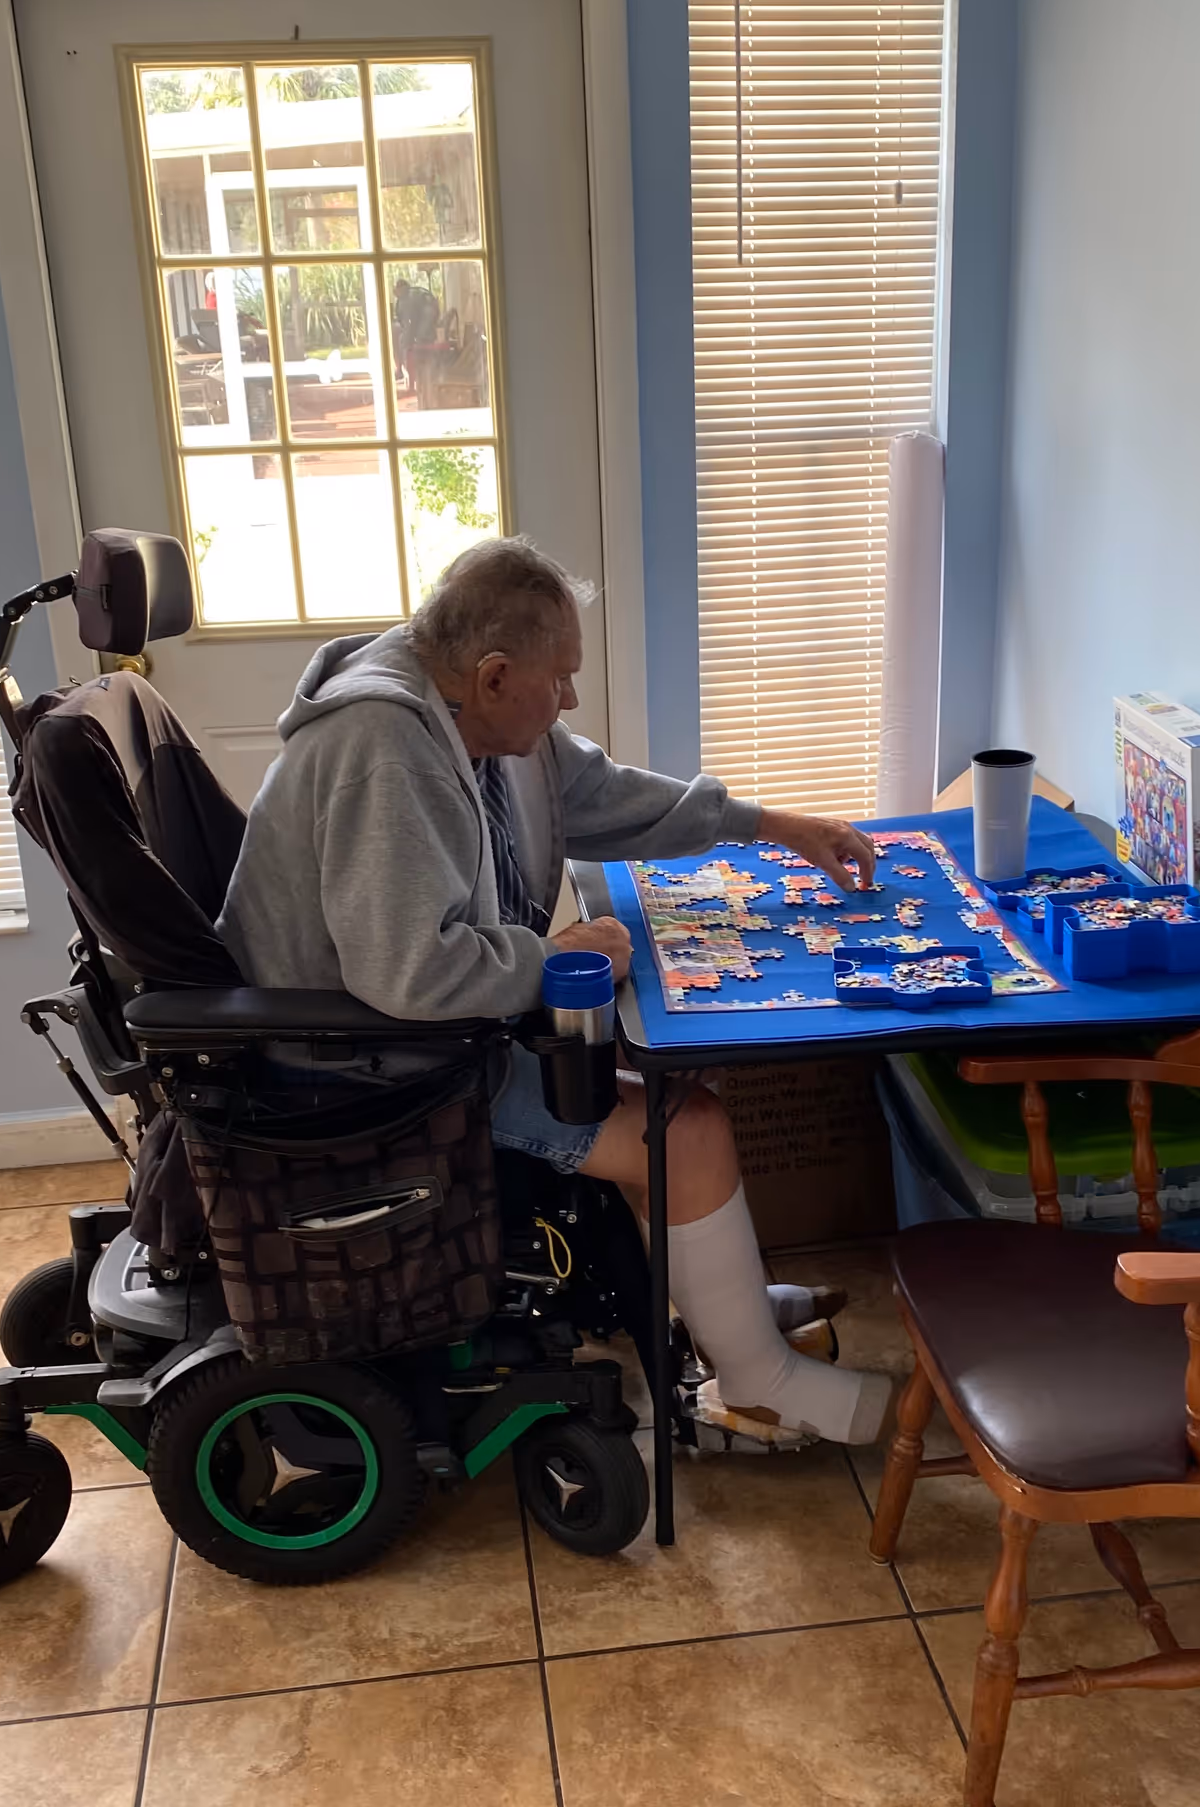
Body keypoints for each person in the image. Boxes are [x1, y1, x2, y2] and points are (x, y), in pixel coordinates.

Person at [219, 536, 894, 1448]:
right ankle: (755, 1385)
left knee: (680, 1074)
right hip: (372, 1071)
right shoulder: (389, 751)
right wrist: (551, 957)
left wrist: (768, 825)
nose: (571, 698)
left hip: (436, 1032)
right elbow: (407, 974)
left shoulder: (458, 698)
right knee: (686, 1131)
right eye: (561, 679)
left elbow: (601, 793)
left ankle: (716, 1303)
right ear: (494, 675)